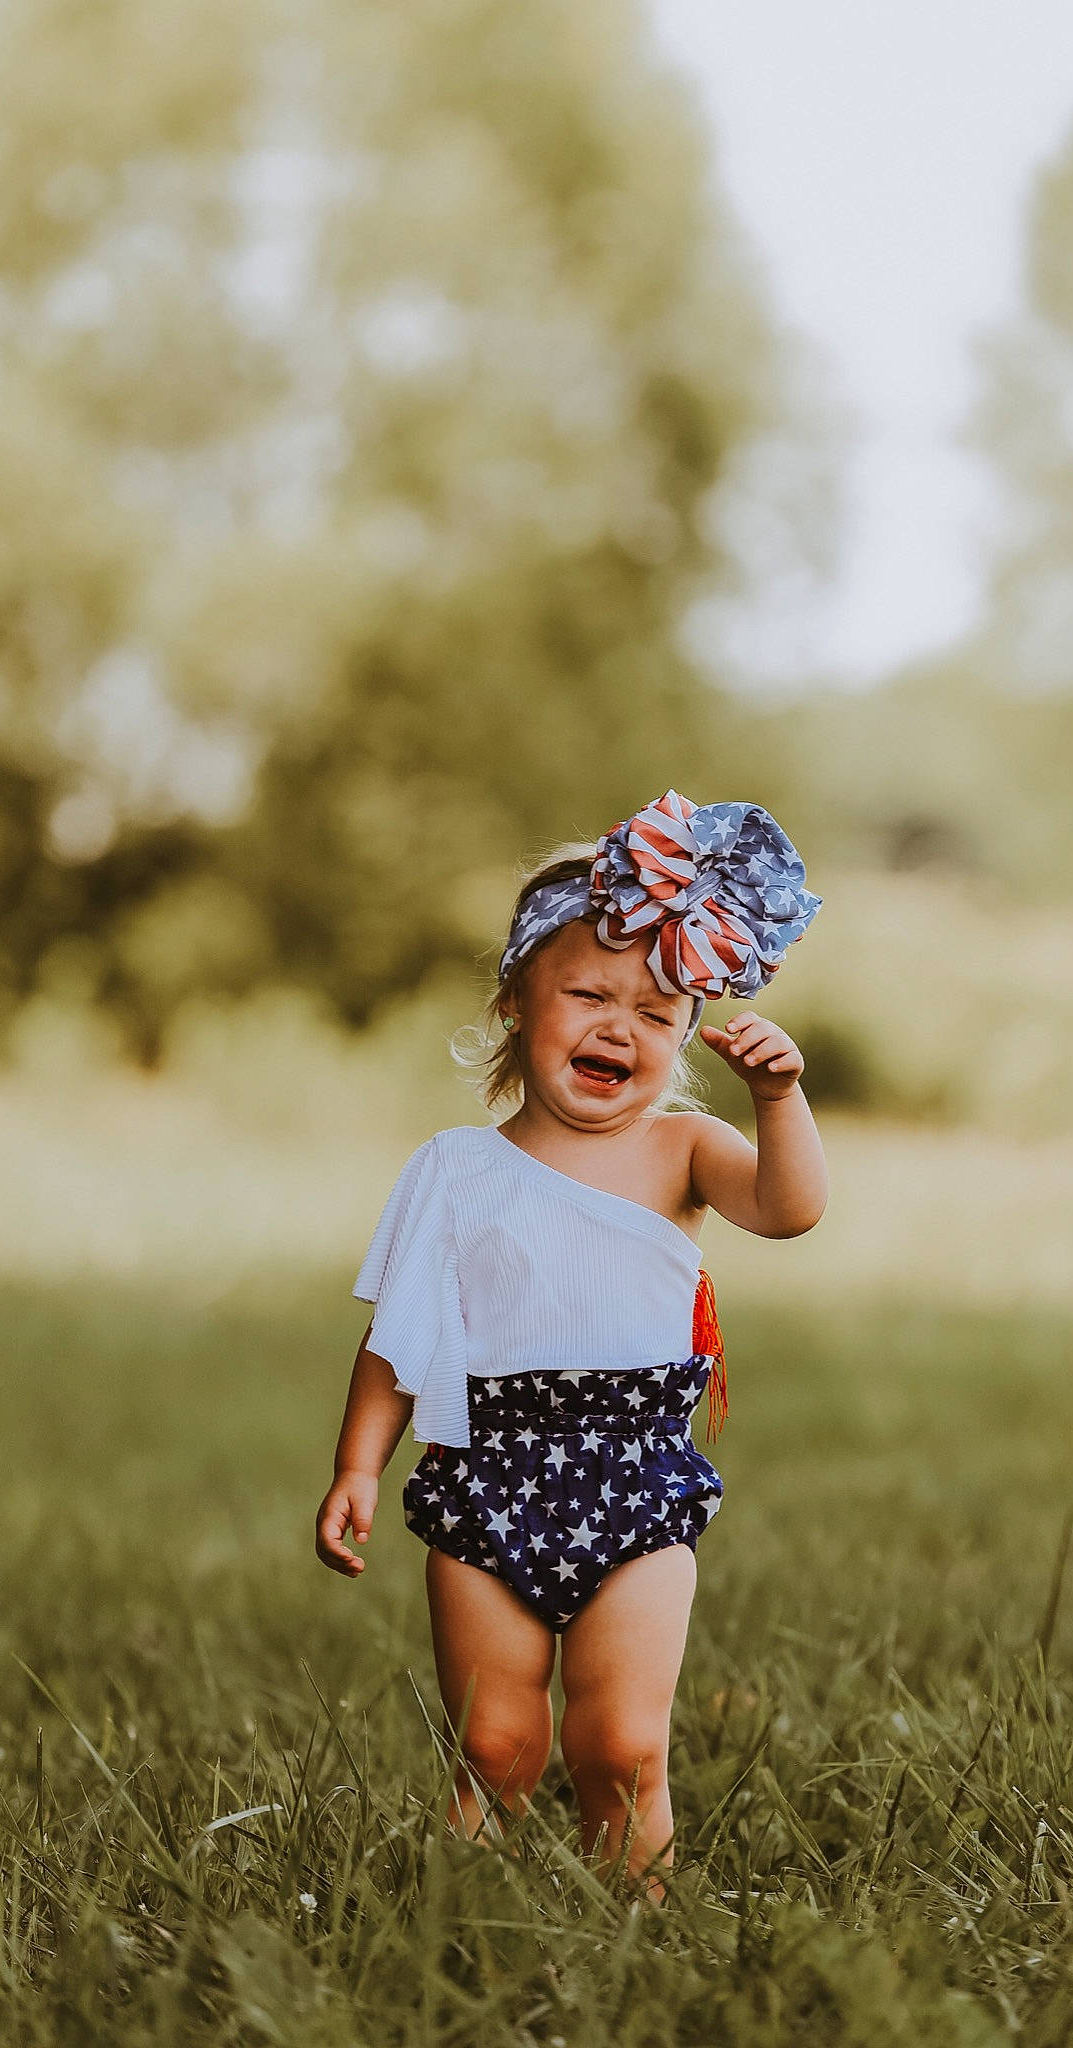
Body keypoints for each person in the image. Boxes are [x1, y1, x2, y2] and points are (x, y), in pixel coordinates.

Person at [315, 789, 827, 1896]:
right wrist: (361, 1462)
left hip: (634, 1476)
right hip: (484, 1474)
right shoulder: (453, 1169)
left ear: (689, 1032)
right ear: (515, 999)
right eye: (589, 992)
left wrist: (778, 1099)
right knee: (495, 1743)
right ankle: (457, 1920)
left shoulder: (684, 1146)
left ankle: (633, 1926)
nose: (618, 1025)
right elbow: (397, 1337)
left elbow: (789, 1210)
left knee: (623, 1743)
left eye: (655, 1011)